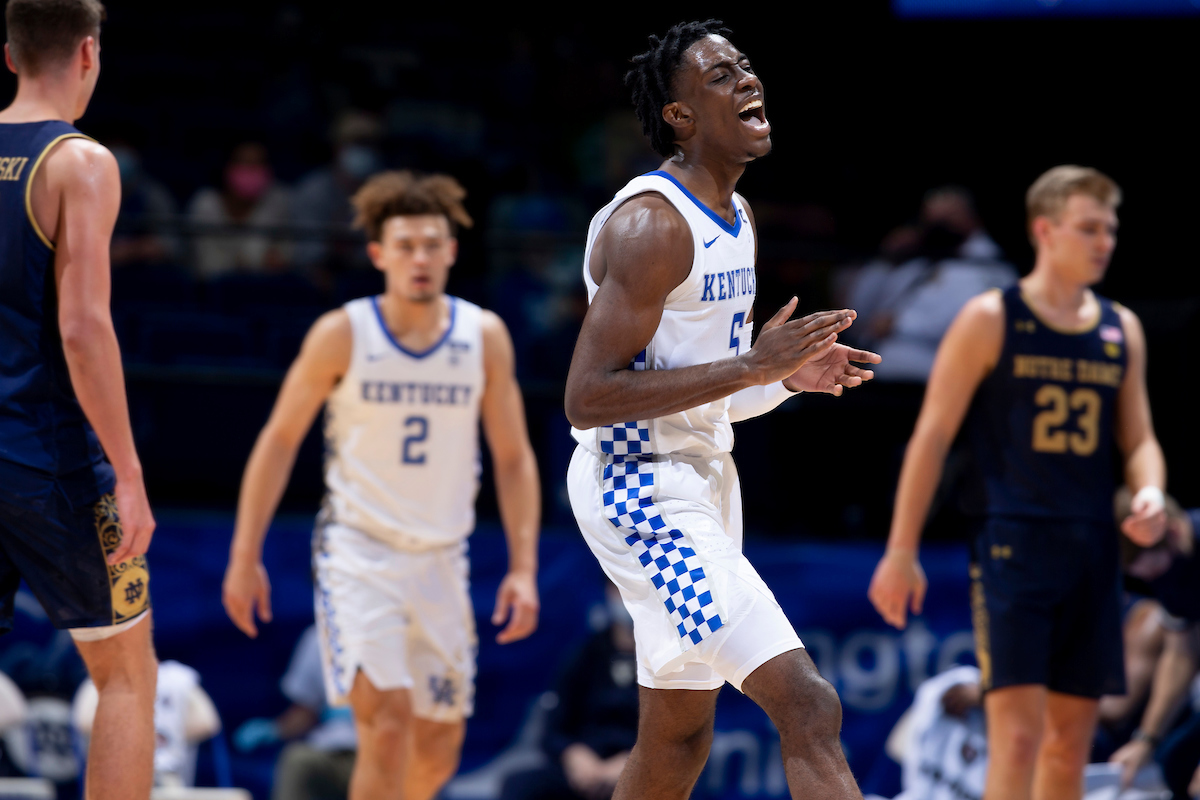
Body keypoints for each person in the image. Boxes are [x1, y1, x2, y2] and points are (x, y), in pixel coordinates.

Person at [563, 20, 879, 800]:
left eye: (745, 67)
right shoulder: (652, 226)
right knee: (808, 703)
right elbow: (588, 397)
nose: (747, 80)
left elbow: (705, 394)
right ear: (679, 115)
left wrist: (782, 381)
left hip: (700, 477)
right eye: (721, 75)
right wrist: (753, 364)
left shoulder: (734, 221)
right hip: (640, 489)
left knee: (676, 737)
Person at [222, 169, 541, 800]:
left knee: (437, 748)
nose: (419, 258)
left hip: (443, 560)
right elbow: (279, 440)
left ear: (451, 252)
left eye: (431, 244)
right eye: (404, 246)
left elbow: (513, 457)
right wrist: (243, 555)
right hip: (359, 555)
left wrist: (524, 567)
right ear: (378, 255)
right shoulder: (342, 333)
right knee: (387, 725)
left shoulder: (483, 337)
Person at [868, 165, 1167, 800]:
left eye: (1110, 229)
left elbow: (1138, 439)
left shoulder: (1121, 329)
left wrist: (1149, 491)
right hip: (1013, 545)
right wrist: (901, 549)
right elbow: (932, 437)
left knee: (1068, 746)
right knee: (1018, 739)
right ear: (1044, 230)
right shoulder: (989, 317)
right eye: (1088, 228)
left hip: (1091, 550)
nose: (1103, 242)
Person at [0, 1, 158, 798]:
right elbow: (85, 329)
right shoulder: (79, 161)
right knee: (126, 673)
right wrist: (127, 473)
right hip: (45, 455)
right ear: (88, 53)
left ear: (8, 54)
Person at [234, 625, 358, 800]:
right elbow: (306, 709)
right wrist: (274, 730)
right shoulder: (319, 637)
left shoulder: (400, 630)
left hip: (385, 747)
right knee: (297, 760)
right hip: (332, 751)